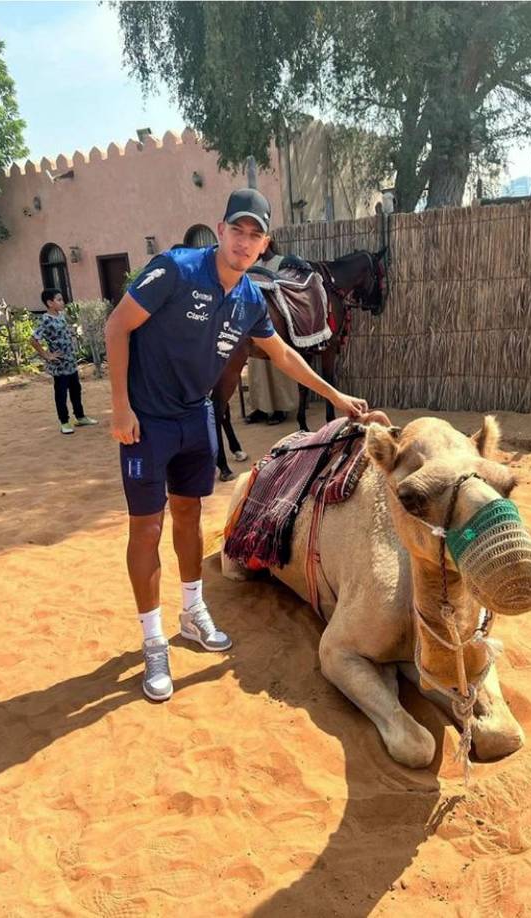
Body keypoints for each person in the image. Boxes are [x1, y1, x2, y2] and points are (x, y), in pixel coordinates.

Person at [105, 188, 368, 702]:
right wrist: (120, 406)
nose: (244, 242)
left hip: (195, 417)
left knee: (189, 517)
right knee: (147, 527)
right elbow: (117, 325)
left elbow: (285, 356)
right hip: (147, 422)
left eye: (255, 235)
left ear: (264, 243)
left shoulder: (249, 298)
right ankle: (154, 642)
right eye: (237, 230)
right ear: (220, 229)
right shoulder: (176, 270)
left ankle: (192, 612)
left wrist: (336, 396)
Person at [244, 241, 298, 426]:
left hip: (277, 324)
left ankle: (280, 409)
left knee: (278, 366)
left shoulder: (282, 263)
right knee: (257, 369)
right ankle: (261, 408)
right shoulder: (253, 266)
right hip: (255, 322)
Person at [30, 289, 98, 434]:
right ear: (49, 303)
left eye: (62, 299)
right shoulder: (45, 320)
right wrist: (47, 355)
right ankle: (65, 422)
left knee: (75, 390)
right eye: (59, 300)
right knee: (61, 393)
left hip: (71, 363)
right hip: (59, 365)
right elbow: (33, 340)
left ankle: (80, 417)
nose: (63, 302)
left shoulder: (61, 316)